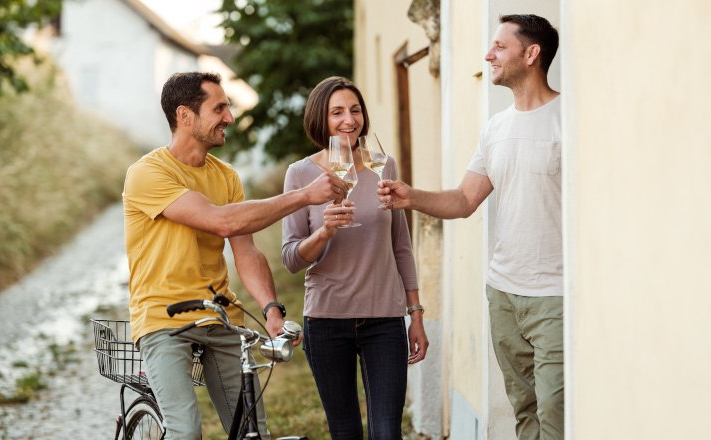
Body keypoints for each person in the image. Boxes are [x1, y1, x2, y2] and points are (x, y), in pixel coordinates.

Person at [122, 71, 348, 440]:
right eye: (220, 108)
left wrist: (272, 310)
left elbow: (246, 250)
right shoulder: (147, 173)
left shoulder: (226, 176)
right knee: (185, 430)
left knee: (251, 430)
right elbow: (221, 222)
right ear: (185, 115)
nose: (229, 117)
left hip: (219, 316)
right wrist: (304, 195)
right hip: (163, 319)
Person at [378, 14, 563, 440]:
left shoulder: (567, 120)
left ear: (531, 54)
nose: (488, 54)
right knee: (525, 409)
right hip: (503, 294)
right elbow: (464, 200)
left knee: (557, 410)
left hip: (556, 295)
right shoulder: (496, 128)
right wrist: (412, 196)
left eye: (500, 46)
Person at [281, 76, 429, 439]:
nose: (349, 120)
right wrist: (325, 231)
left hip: (384, 319)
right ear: (322, 118)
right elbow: (291, 257)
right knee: (345, 431)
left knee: (387, 432)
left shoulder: (383, 165)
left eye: (355, 110)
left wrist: (416, 314)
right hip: (327, 319)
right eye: (337, 112)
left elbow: (401, 245)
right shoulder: (301, 174)